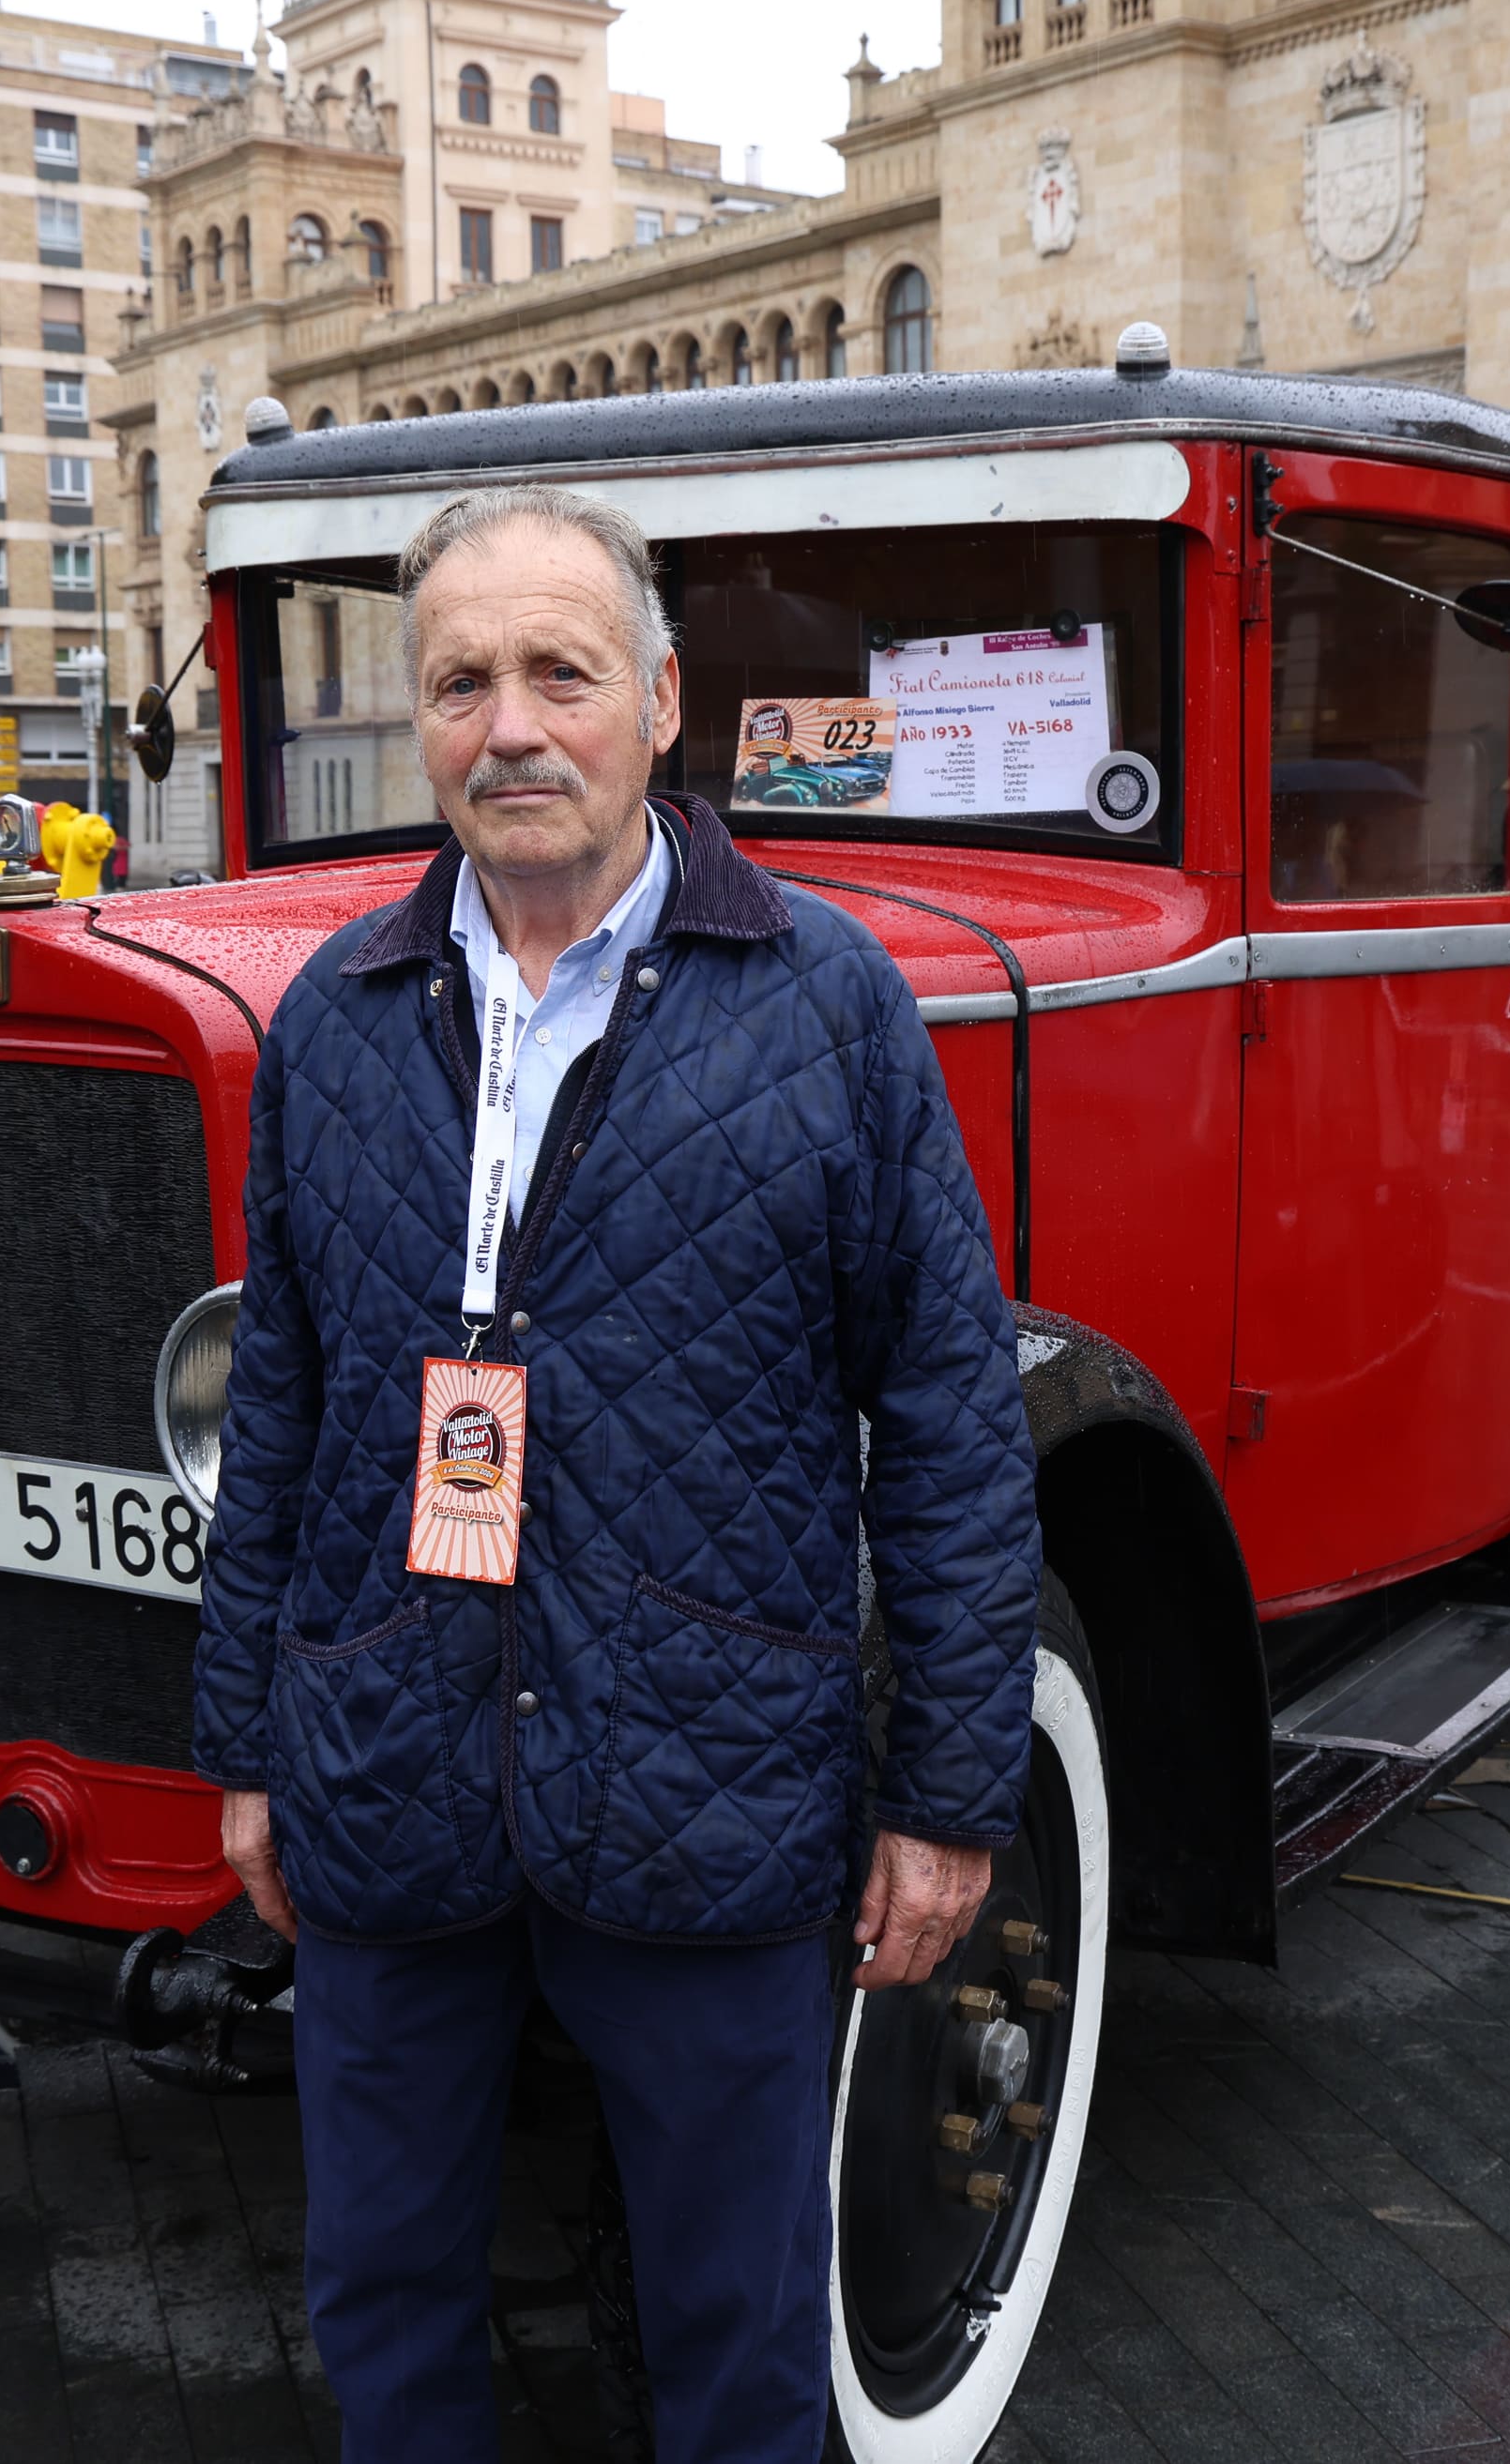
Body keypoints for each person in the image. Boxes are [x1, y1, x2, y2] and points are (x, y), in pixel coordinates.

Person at [191, 484, 1041, 2463]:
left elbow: (943, 1414)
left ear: (660, 702)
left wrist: (947, 1792)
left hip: (707, 1790)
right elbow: (286, 1408)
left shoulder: (827, 1009)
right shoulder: (337, 1018)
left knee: (738, 2341)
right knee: (383, 2306)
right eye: (460, 683)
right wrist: (244, 1746)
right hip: (391, 1770)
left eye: (558, 675)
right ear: (418, 725)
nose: (510, 728)